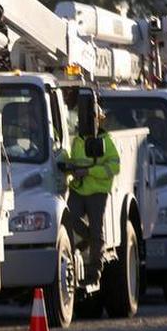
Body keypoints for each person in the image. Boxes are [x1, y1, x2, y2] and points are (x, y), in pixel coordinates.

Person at [61, 107, 120, 288]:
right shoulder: (77, 141)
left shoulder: (106, 141)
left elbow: (114, 167)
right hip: (78, 190)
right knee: (70, 219)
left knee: (96, 230)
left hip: (97, 192)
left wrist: (88, 171)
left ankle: (95, 272)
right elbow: (73, 159)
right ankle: (88, 240)